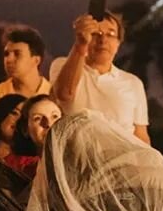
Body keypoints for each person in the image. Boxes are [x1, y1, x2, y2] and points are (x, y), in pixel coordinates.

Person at [50, 9, 149, 143]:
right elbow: (64, 93)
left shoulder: (132, 83)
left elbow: (141, 135)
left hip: (122, 158)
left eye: (110, 34)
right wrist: (81, 45)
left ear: (118, 43)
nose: (103, 40)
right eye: (96, 33)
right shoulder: (63, 65)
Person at [8, 94, 63, 179]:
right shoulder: (13, 167)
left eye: (55, 116)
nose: (48, 124)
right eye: (38, 118)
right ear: (25, 129)